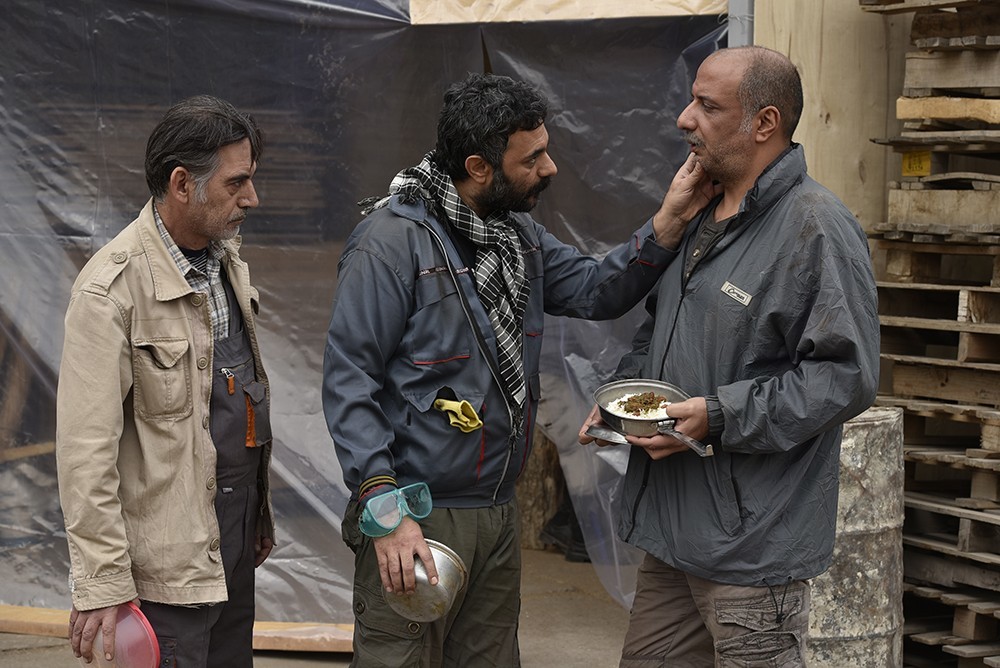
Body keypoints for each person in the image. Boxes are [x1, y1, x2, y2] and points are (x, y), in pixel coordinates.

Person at [322, 72, 714, 666]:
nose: (550, 168)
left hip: (495, 512)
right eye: (533, 158)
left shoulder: (516, 237)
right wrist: (385, 510)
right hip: (416, 512)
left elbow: (595, 289)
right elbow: (350, 382)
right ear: (479, 167)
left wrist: (669, 222)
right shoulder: (390, 245)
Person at [579, 46, 880, 666]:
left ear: (763, 123)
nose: (685, 118)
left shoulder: (815, 227)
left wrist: (718, 415)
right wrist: (621, 398)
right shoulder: (700, 212)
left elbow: (844, 377)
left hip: (751, 547)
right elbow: (659, 331)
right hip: (674, 534)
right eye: (691, 100)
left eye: (707, 106)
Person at [56, 95, 275, 667]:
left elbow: (233, 403)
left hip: (229, 544)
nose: (252, 198)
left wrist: (257, 516)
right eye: (237, 183)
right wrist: (103, 583)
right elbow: (85, 452)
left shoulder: (225, 262)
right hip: (165, 573)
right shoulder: (110, 290)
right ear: (183, 184)